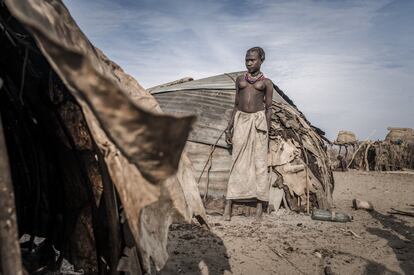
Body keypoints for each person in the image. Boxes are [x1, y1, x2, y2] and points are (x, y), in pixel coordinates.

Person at [223, 47, 273, 221]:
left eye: (252, 60)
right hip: (242, 120)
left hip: (258, 122)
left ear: (261, 60)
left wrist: (267, 131)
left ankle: (259, 206)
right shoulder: (239, 80)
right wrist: (230, 126)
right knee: (237, 161)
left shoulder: (267, 83)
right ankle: (228, 204)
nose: (249, 62)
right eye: (247, 60)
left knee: (259, 163)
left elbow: (269, 109)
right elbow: (236, 105)